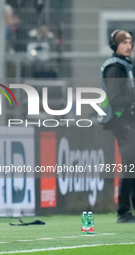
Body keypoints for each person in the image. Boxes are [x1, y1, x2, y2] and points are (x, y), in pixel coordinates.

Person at [101, 29, 135, 223]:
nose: (128, 46)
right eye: (123, 43)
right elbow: (115, 99)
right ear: (115, 46)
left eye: (130, 42)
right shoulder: (115, 68)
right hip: (122, 122)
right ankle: (123, 212)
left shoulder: (126, 65)